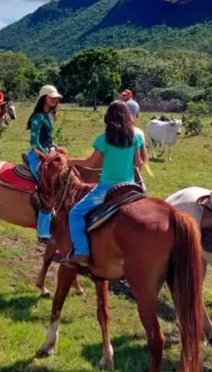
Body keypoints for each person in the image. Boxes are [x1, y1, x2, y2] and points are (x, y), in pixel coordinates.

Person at [64, 101, 143, 267]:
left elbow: (91, 163)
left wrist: (69, 161)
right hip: (130, 188)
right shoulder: (134, 138)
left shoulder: (104, 139)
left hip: (107, 189)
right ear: (128, 118)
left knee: (75, 213)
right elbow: (138, 163)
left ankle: (81, 253)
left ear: (108, 118)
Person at [26, 85, 63, 241]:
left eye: (56, 98)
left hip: (48, 154)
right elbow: (34, 142)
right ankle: (43, 232)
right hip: (38, 156)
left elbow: (47, 140)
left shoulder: (48, 116)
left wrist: (55, 147)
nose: (55, 100)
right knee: (47, 188)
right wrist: (46, 155)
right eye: (51, 97)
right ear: (44, 98)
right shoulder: (38, 117)